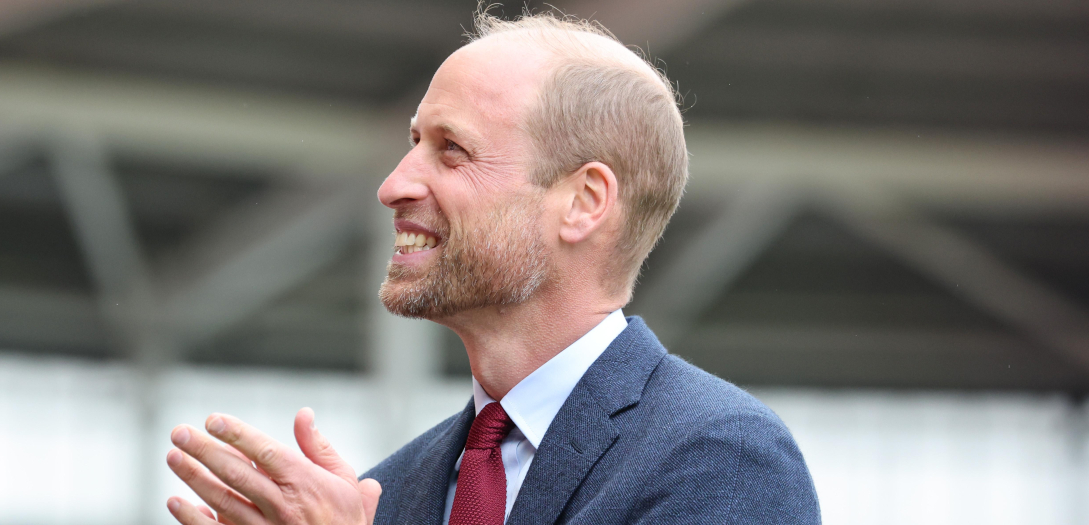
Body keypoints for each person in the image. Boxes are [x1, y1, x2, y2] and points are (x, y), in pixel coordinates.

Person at [163, 9, 821, 525]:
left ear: (584, 202)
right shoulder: (387, 489)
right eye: (413, 143)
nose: (394, 184)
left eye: (451, 150)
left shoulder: (721, 458)